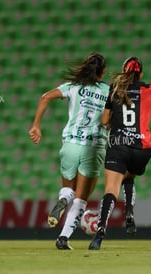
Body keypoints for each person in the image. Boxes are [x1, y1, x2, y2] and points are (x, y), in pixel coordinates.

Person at [88, 56, 151, 250]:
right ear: (140, 73)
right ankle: (130, 212)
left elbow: (105, 120)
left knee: (111, 189)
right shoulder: (148, 89)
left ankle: (100, 231)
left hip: (118, 145)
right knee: (128, 177)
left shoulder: (114, 88)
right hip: (142, 149)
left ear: (124, 71)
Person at [29, 52, 109, 250]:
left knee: (69, 189)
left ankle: (63, 198)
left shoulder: (74, 87)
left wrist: (36, 126)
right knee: (81, 198)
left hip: (70, 144)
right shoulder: (109, 91)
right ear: (103, 71)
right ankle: (63, 238)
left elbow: (45, 97)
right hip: (93, 146)